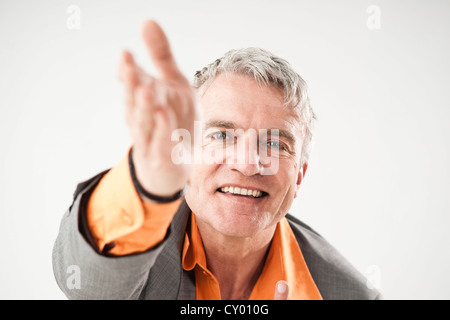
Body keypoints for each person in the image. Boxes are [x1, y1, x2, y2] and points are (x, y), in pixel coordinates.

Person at [52, 20, 382, 300]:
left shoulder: (348, 293)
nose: (248, 164)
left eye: (275, 143)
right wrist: (147, 183)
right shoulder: (139, 256)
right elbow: (87, 283)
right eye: (222, 135)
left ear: (299, 177)